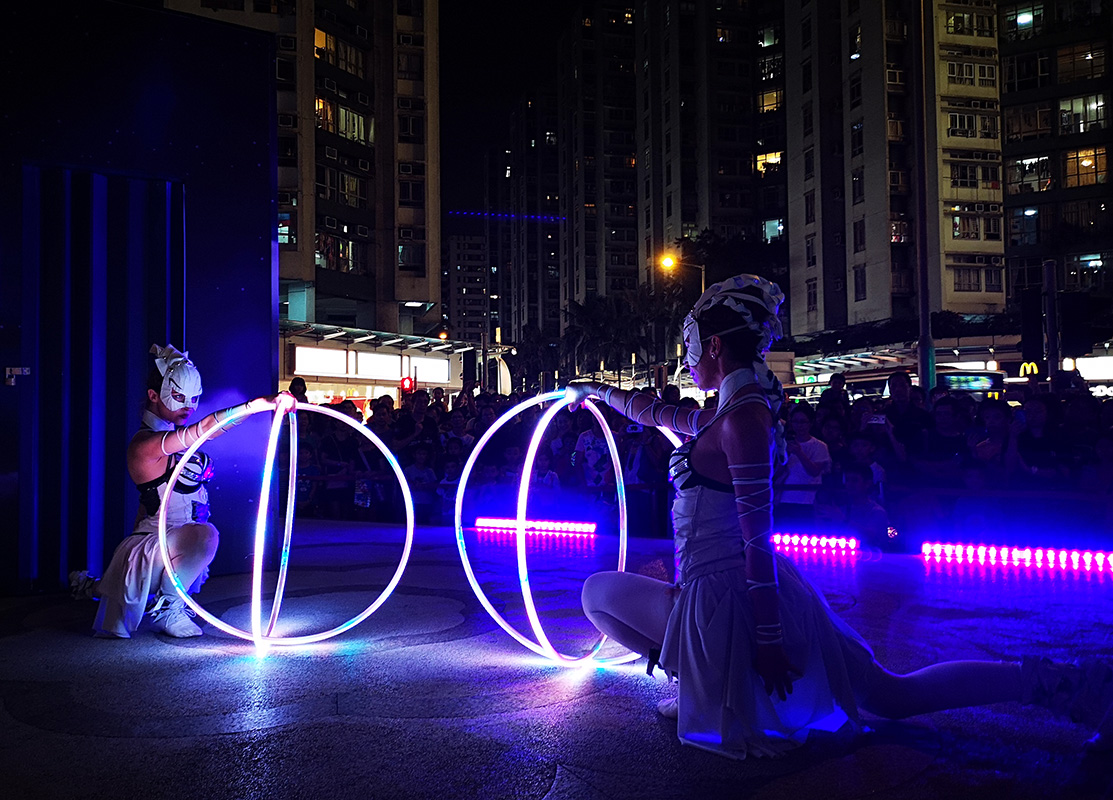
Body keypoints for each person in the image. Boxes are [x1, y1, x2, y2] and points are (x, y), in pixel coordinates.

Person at [568, 275, 1112, 759]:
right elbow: (658, 412)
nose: (684, 359)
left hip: (733, 595)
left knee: (893, 696)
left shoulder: (745, 419)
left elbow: (759, 539)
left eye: (688, 345)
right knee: (891, 695)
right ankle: (702, 678)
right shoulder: (727, 413)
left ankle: (1071, 685)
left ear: (712, 344)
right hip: (713, 592)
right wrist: (594, 393)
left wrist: (769, 638)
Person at [69, 344, 292, 638]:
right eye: (178, 397)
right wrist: (256, 404)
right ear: (153, 395)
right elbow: (204, 429)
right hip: (159, 544)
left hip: (176, 544)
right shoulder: (145, 445)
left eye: (194, 398)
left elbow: (214, 429)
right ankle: (166, 607)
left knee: (198, 536)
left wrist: (262, 407)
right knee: (206, 534)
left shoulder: (176, 440)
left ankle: (98, 587)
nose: (188, 405)